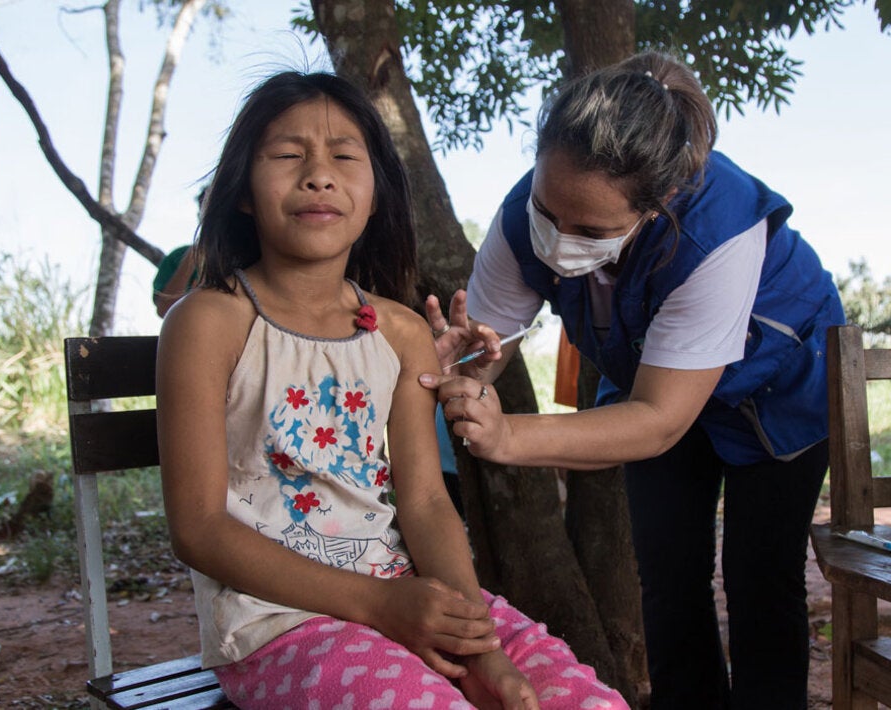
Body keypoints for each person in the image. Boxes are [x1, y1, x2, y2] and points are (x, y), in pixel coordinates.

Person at [155, 70, 624, 710]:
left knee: (579, 700)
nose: (318, 174)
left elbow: (427, 502)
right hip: (278, 624)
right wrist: (380, 605)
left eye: (344, 157)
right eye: (289, 155)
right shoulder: (208, 323)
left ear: (375, 193)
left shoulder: (398, 332)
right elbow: (199, 528)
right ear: (242, 189)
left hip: (411, 594)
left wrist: (481, 648)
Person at [422, 52, 845, 709]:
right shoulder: (525, 215)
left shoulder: (716, 231)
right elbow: (488, 344)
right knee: (669, 574)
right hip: (656, 377)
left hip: (778, 390)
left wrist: (507, 437)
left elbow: (659, 419)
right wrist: (469, 367)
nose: (558, 240)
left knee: (761, 576)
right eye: (548, 211)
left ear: (660, 205)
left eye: (590, 231)